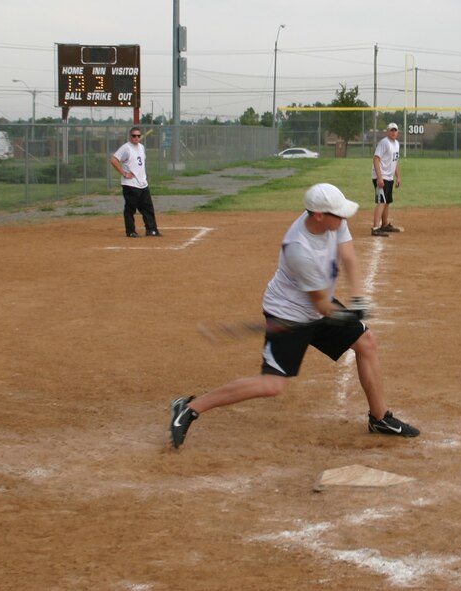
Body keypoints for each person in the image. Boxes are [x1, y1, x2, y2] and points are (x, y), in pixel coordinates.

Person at [170, 183, 420, 448]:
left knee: (366, 342)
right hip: (290, 312)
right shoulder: (299, 248)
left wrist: (357, 299)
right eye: (339, 214)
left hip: (317, 304)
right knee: (272, 385)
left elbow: (349, 257)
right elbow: (322, 307)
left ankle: (379, 418)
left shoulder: (333, 220)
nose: (345, 218)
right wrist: (350, 317)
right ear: (319, 215)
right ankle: (189, 407)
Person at [110, 127, 162, 237]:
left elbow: (140, 164)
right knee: (130, 209)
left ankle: (151, 230)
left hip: (142, 183)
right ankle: (130, 231)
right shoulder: (126, 148)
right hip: (130, 184)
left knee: (148, 208)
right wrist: (124, 173)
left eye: (138, 136)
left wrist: (145, 175)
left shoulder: (141, 147)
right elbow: (113, 160)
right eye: (134, 136)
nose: (136, 138)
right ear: (130, 136)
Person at [371, 122, 402, 237]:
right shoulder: (384, 143)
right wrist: (379, 177)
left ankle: (384, 224)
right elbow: (376, 159)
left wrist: (398, 176)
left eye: (395, 130)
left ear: (397, 132)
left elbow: (395, 161)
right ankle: (375, 227)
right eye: (391, 130)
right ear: (387, 132)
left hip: (389, 177)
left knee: (387, 201)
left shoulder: (397, 144)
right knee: (382, 201)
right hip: (381, 176)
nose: (393, 132)